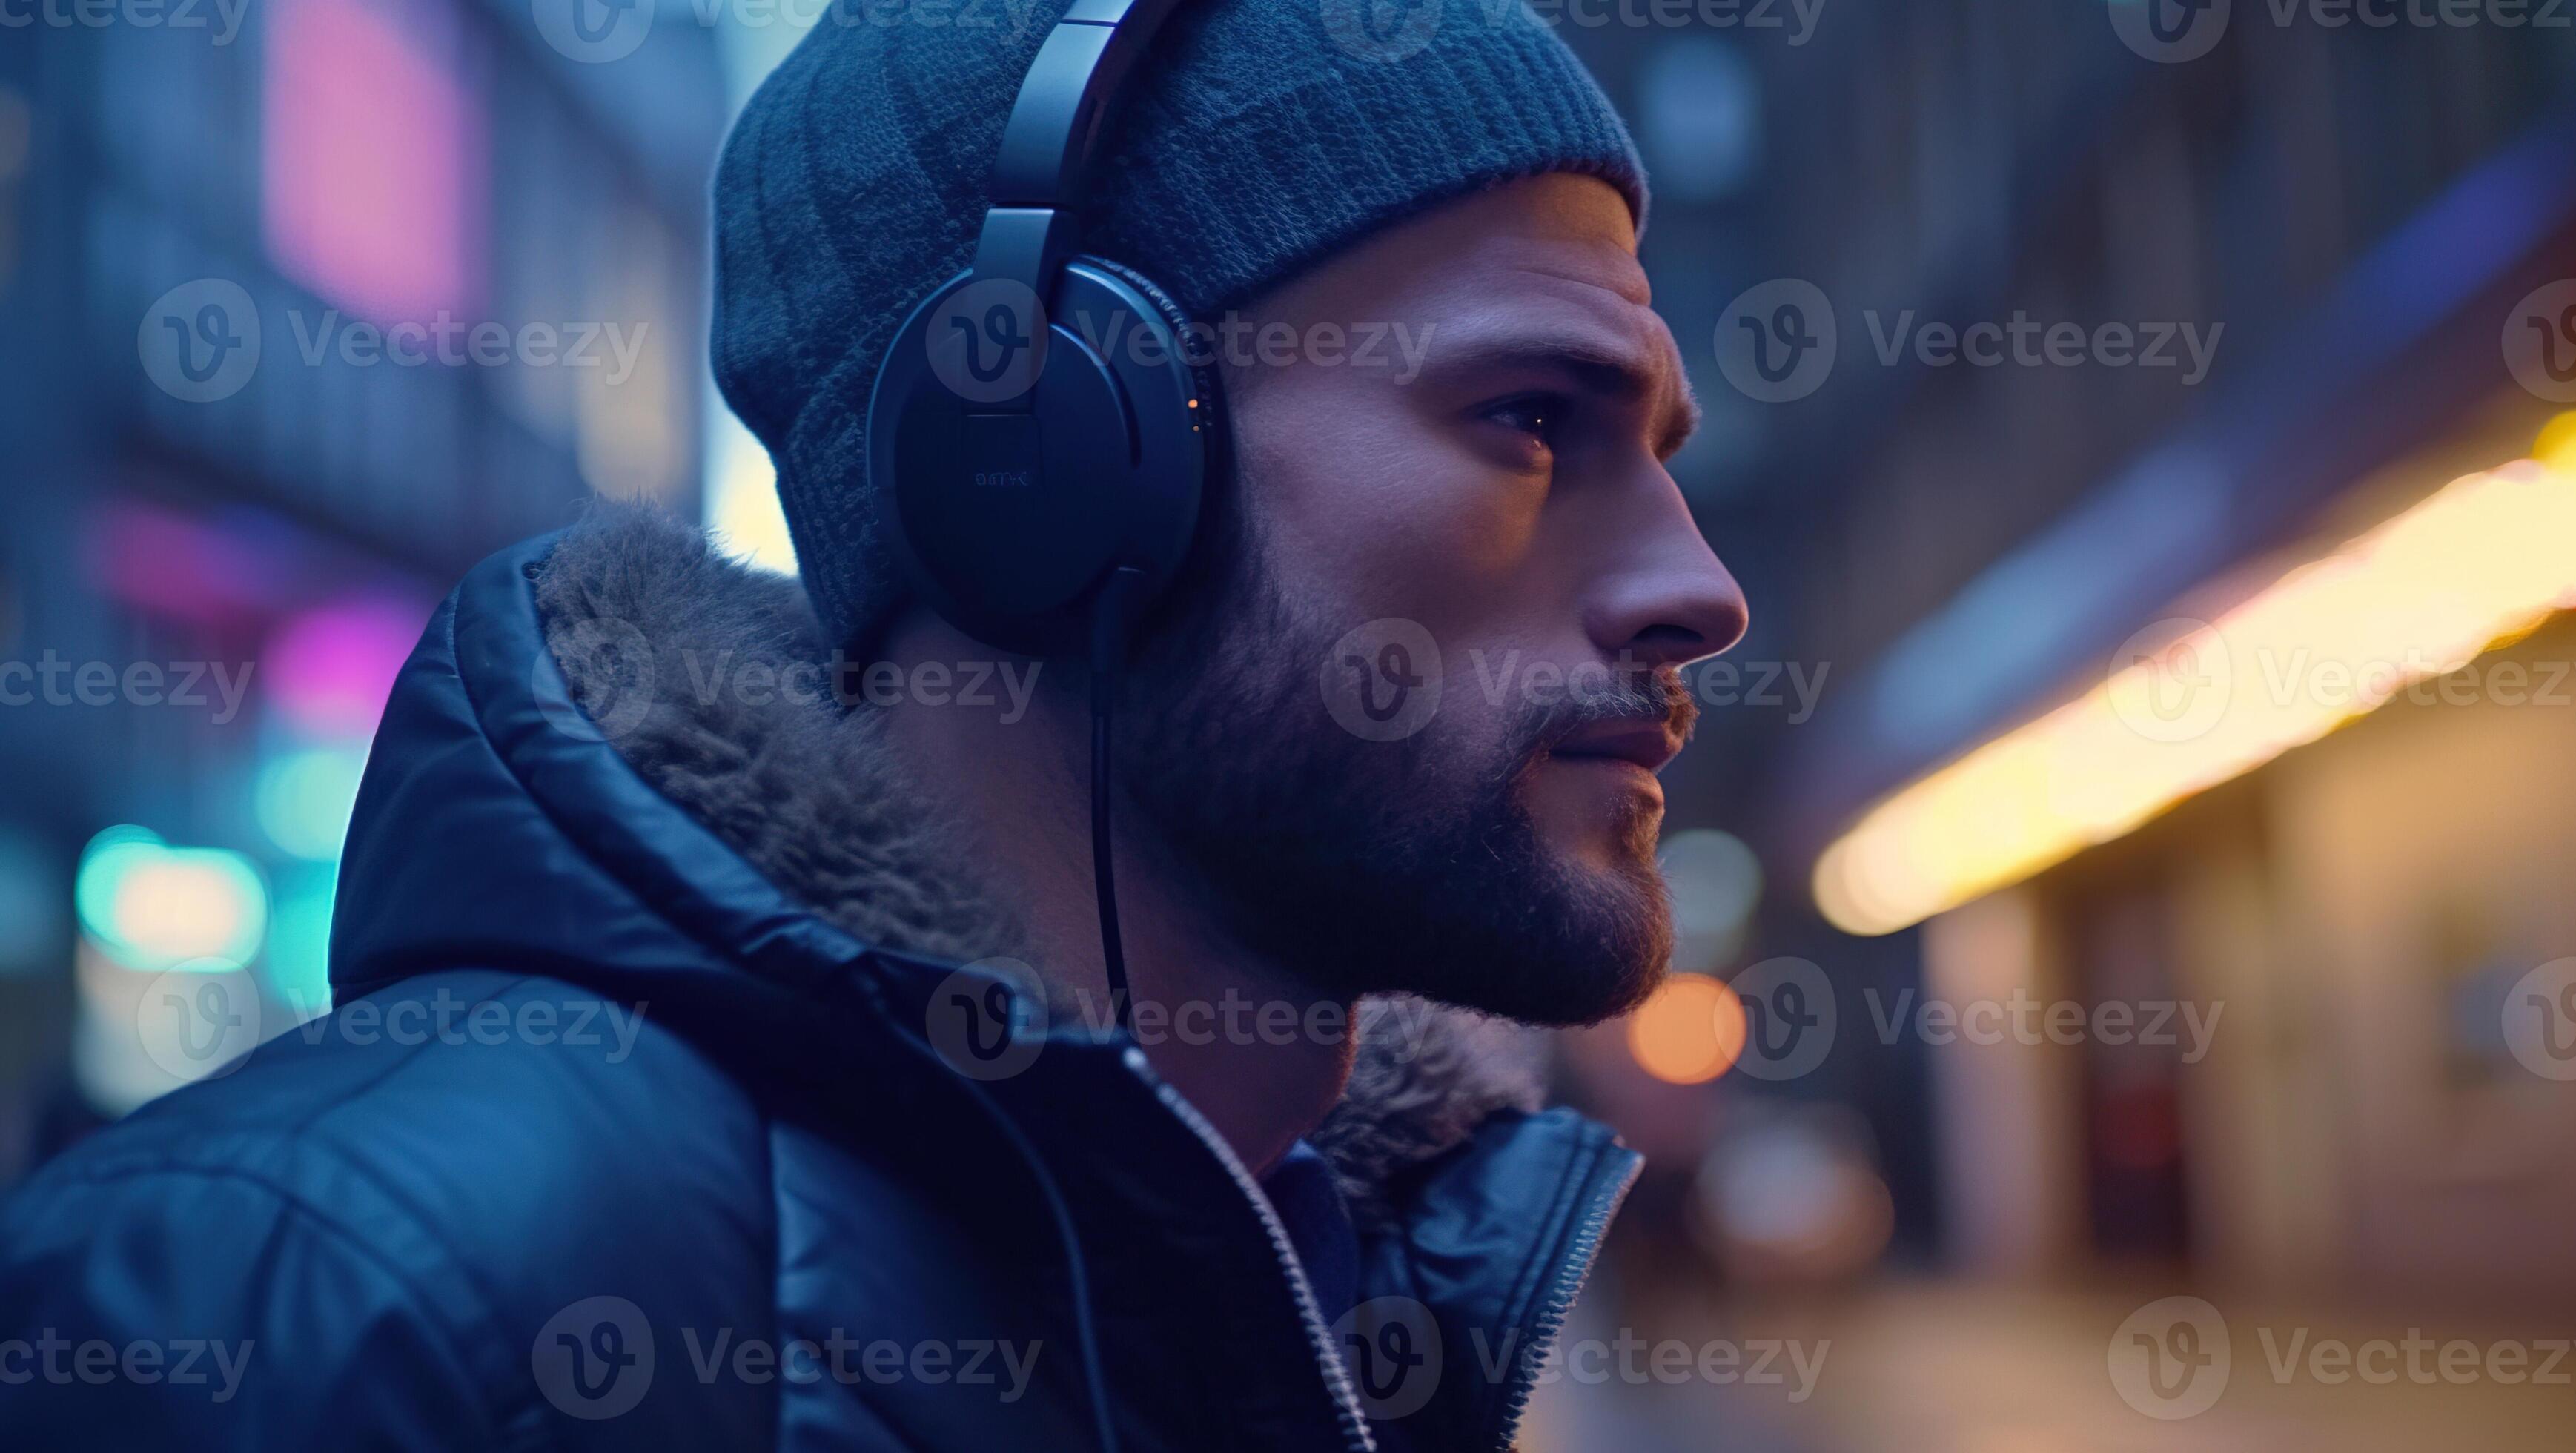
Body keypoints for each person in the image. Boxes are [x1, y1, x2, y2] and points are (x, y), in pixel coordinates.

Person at [0, 3, 1744, 1447]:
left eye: (1659, 448)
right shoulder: (319, 1304)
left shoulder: (1362, 1279)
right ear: (1055, 466)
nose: (1701, 588)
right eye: (1530, 417)